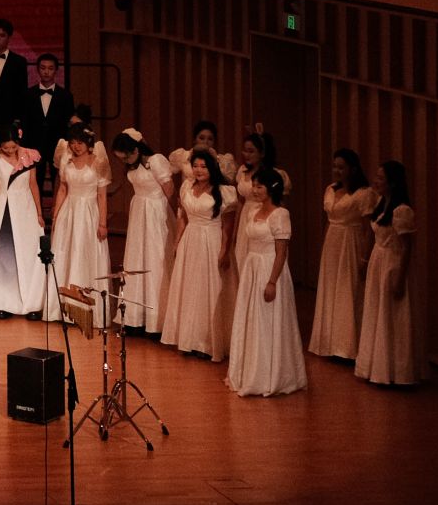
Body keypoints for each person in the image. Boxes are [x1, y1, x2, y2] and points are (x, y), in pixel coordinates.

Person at [226, 170, 307, 397]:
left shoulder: (280, 214)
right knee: (252, 318)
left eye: (259, 186)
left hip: (269, 268)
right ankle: (249, 371)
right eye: (254, 185)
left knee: (267, 319)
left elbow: (281, 252)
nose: (254, 190)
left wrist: (272, 281)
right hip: (252, 267)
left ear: (272, 188)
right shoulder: (253, 211)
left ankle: (269, 375)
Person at [159, 150, 235, 358]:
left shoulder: (224, 191)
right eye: (195, 166)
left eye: (203, 166)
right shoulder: (187, 186)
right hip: (190, 241)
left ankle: (207, 343)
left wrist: (225, 250)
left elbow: (228, 226)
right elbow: (183, 217)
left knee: (207, 289)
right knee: (190, 289)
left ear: (212, 168)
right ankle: (189, 339)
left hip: (211, 240)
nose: (198, 170)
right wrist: (177, 242)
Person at [354, 160, 420, 386]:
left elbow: (407, 246)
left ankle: (397, 371)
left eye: (381, 178)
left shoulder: (402, 210)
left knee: (393, 316)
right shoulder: (382, 204)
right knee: (377, 311)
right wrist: (365, 260)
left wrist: (400, 277)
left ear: (392, 182)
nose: (376, 181)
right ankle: (376, 365)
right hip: (378, 261)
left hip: (392, 263)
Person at [308, 148, 377, 360]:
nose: (337, 170)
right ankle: (330, 343)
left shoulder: (364, 193)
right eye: (335, 166)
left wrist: (365, 256)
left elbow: (368, 228)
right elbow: (329, 222)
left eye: (341, 167)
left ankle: (347, 347)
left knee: (348, 290)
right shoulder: (330, 189)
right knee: (330, 289)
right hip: (333, 242)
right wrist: (324, 247)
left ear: (352, 169)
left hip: (351, 242)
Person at [0, 126, 46, 319]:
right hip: (4, 208)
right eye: (5, 148)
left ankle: (32, 304)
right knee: (4, 256)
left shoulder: (29, 156)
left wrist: (39, 213)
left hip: (26, 209)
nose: (9, 151)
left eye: (13, 147)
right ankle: (3, 302)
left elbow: (33, 185)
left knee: (29, 254)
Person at [44, 129, 111, 323]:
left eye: (80, 142)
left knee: (85, 255)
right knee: (66, 254)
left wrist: (103, 223)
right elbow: (62, 189)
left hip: (89, 212)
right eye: (73, 142)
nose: (76, 146)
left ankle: (86, 310)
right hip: (69, 211)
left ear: (88, 143)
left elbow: (102, 195)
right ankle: (62, 309)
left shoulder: (98, 162)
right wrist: (56, 216)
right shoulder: (67, 161)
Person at [111, 129, 173, 335]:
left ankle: (156, 320)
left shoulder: (155, 161)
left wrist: (171, 217)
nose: (124, 161)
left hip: (155, 212)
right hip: (139, 213)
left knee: (155, 259)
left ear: (136, 149)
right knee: (136, 259)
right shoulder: (133, 166)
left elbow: (169, 191)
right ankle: (134, 317)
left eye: (126, 156)